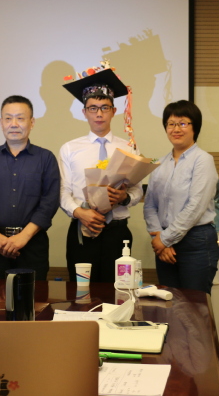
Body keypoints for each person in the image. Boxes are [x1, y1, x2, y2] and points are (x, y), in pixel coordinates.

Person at [60, 68, 143, 283]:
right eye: (93, 108)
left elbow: (137, 190)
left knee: (118, 290)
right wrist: (79, 212)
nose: (99, 114)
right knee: (81, 291)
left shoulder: (129, 148)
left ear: (113, 111)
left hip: (117, 232)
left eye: (104, 108)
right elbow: (63, 191)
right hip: (82, 229)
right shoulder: (70, 148)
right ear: (84, 112)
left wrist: (124, 198)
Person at [0, 95, 60, 280]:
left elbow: (50, 202)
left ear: (32, 122)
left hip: (33, 244)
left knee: (33, 296)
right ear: (1, 122)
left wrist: (23, 237)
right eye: (8, 118)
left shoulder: (46, 158)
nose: (13, 124)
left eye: (20, 118)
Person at [144, 100, 219, 295]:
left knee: (195, 305)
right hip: (163, 241)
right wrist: (158, 237)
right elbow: (150, 205)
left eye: (183, 123)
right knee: (169, 302)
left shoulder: (203, 160)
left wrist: (164, 240)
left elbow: (196, 206)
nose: (176, 129)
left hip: (196, 242)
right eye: (171, 124)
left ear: (195, 127)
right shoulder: (159, 163)